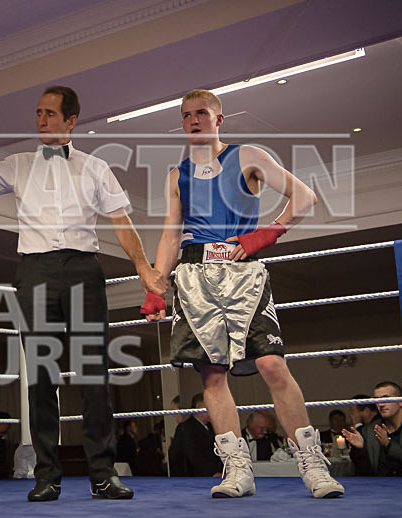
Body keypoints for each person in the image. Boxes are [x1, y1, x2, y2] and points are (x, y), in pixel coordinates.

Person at [0, 85, 165, 501]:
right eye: (38, 113)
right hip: (36, 270)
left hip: (83, 268)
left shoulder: (95, 167)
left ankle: (102, 473)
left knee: (93, 374)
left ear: (71, 120)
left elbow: (121, 221)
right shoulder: (19, 163)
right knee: (42, 377)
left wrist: (143, 268)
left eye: (49, 113)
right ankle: (47, 475)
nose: (40, 119)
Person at [146, 89, 343, 498]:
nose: (193, 120)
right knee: (212, 375)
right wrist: (156, 284)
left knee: (272, 364)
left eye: (202, 113)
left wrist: (266, 233)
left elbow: (304, 196)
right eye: (186, 115)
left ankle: (312, 464)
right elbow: (170, 234)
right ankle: (237, 469)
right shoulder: (176, 174)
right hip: (194, 274)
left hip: (242, 272)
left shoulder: (247, 155)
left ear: (220, 119)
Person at [343, 381, 402, 475]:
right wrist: (360, 450)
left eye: (386, 398)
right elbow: (365, 473)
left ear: (400, 402)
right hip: (379, 487)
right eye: (377, 400)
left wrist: (388, 445)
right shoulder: (368, 431)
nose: (381, 404)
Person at [168, 393, 222, 477]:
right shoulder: (186, 428)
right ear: (199, 407)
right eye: (210, 406)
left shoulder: (211, 427)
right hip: (197, 479)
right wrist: (212, 472)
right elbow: (193, 455)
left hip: (214, 475)